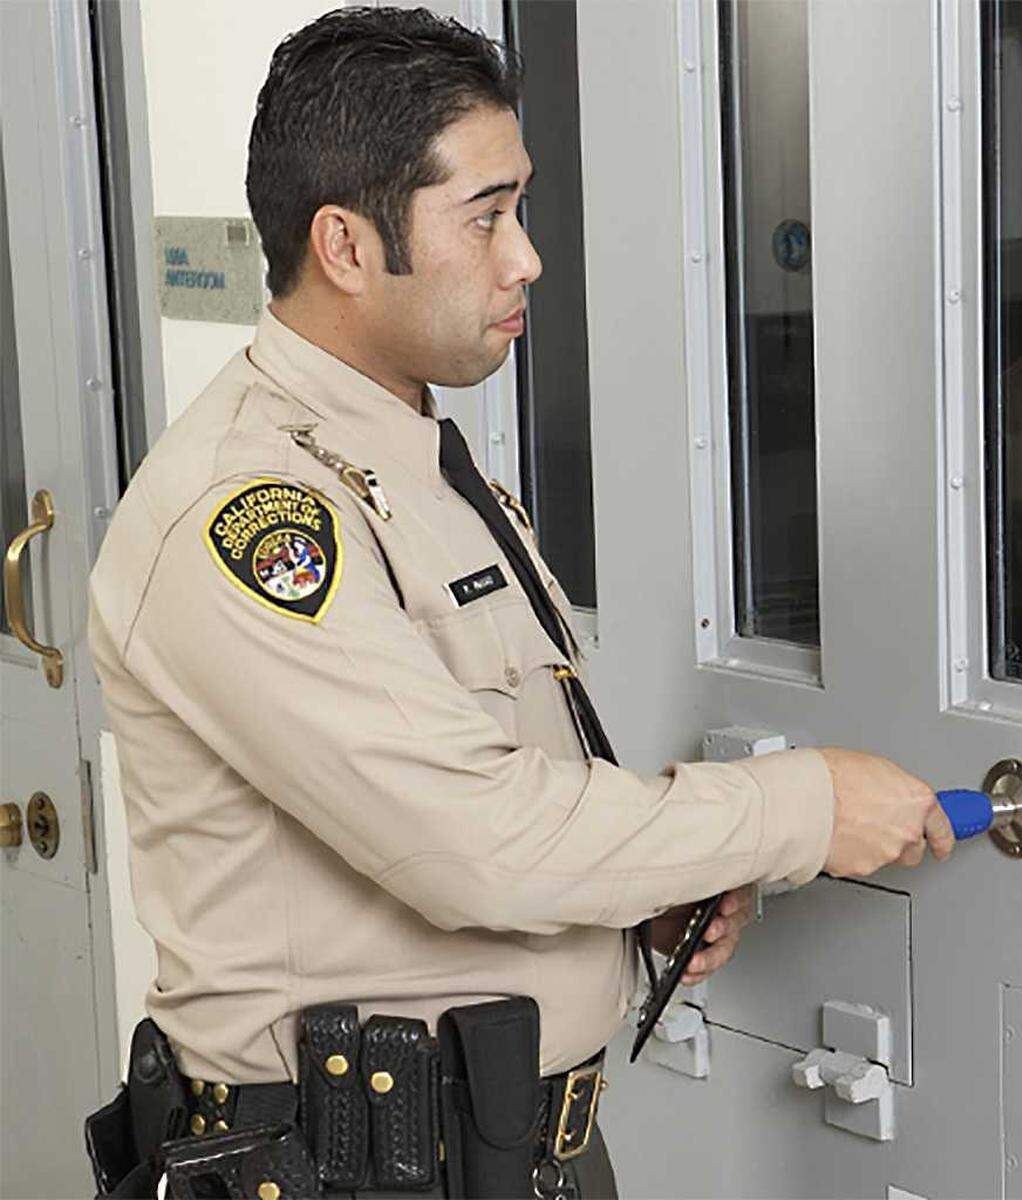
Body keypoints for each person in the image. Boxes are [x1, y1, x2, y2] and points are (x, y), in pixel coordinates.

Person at [86, 8, 954, 1198]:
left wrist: (642, 897)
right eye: (485, 216)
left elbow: (512, 798)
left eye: (520, 208)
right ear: (345, 245)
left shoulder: (420, 470)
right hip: (349, 1171)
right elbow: (478, 842)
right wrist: (802, 806)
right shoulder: (248, 517)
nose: (526, 255)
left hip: (517, 1151)